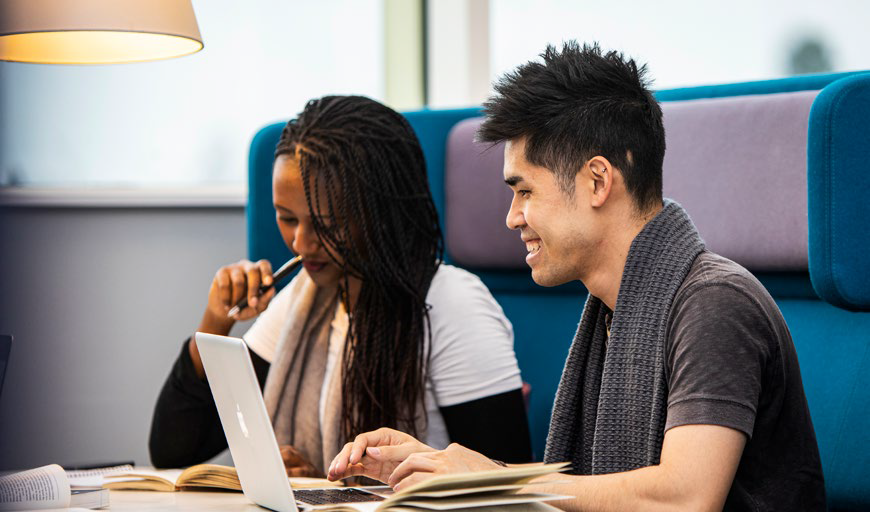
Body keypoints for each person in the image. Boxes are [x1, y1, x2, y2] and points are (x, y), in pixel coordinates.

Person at [327, 43, 826, 511]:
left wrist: (490, 480)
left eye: (524, 191)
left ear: (597, 181)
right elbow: (595, 493)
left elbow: (684, 498)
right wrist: (441, 468)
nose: (512, 217)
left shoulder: (715, 304)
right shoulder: (615, 311)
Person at [148, 95, 532, 476]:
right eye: (287, 218)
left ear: (380, 213)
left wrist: (325, 485)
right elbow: (175, 449)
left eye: (325, 223)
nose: (301, 243)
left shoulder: (452, 304)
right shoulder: (303, 299)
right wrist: (216, 322)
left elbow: (506, 486)